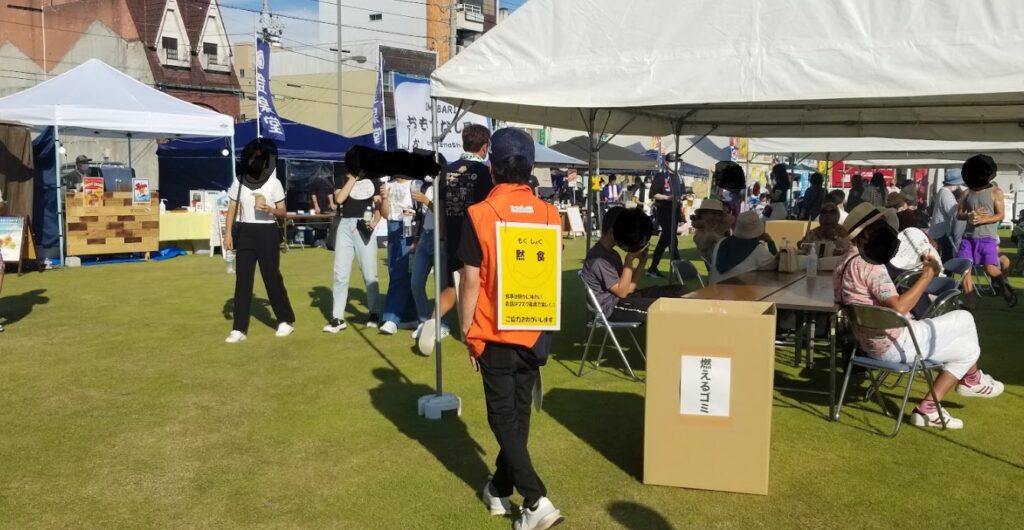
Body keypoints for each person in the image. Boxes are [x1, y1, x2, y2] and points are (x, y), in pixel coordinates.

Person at [457, 128, 563, 530]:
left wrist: (467, 332)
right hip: (535, 329)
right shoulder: (551, 214)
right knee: (518, 419)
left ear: (492, 165)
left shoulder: (480, 214)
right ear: (531, 166)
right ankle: (498, 489)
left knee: (504, 419)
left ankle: (536, 500)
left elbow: (471, 280)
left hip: (494, 332)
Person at [835, 203, 1004, 429]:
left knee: (968, 349)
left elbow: (841, 303)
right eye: (881, 226)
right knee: (965, 318)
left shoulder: (843, 264)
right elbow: (898, 307)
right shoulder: (870, 265)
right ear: (867, 233)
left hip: (868, 345)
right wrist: (927, 275)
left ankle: (932, 406)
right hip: (895, 344)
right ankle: (969, 381)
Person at [418, 124, 493, 355]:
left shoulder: (448, 171)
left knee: (454, 285)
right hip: (477, 238)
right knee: (475, 285)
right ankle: (467, 328)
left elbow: (440, 208)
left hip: (451, 237)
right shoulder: (484, 173)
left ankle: (433, 322)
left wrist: (442, 237)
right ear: (484, 147)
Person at [223, 139, 296, 343]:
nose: (255, 162)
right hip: (245, 231)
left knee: (271, 277)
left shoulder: (274, 183)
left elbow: (283, 212)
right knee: (243, 281)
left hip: (267, 232)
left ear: (266, 161)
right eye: (253, 158)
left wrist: (270, 209)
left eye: (259, 159)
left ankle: (285, 320)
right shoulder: (239, 181)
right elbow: (231, 209)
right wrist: (227, 234)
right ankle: (239, 329)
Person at [582, 207, 688, 323]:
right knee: (664, 308)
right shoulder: (598, 259)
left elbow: (629, 288)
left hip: (626, 299)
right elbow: (622, 292)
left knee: (679, 291)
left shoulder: (613, 254)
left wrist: (642, 263)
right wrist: (629, 260)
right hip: (613, 308)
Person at [322, 167, 384, 333]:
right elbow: (339, 199)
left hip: (364, 224)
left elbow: (379, 206)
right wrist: (354, 178)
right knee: (340, 273)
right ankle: (337, 318)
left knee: (369, 273)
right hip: (345, 225)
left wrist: (374, 223)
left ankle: (374, 313)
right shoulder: (342, 178)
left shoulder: (373, 179)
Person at [957, 154, 1017, 307]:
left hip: (987, 238)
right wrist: (969, 216)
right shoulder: (966, 193)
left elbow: (1000, 215)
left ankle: (1004, 287)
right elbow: (959, 214)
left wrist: (984, 219)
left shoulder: (996, 192)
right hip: (967, 238)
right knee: (965, 269)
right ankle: (969, 302)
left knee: (990, 268)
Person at [379, 167, 421, 334]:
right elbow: (385, 214)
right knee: (395, 271)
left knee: (401, 273)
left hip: (409, 229)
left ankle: (391, 318)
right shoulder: (388, 185)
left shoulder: (415, 184)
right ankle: (409, 317)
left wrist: (417, 238)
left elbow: (421, 211)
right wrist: (384, 198)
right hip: (393, 228)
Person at [709, 210, 778, 283]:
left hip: (712, 288)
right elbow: (776, 265)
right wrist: (770, 242)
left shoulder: (721, 242)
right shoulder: (758, 249)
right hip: (738, 289)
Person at [928, 169, 966, 263]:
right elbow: (952, 211)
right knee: (947, 257)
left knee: (944, 256)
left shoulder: (943, 191)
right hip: (942, 232)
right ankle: (946, 272)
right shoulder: (946, 193)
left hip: (940, 230)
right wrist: (962, 203)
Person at [645, 171, 675, 277]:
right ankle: (679, 269)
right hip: (664, 210)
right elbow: (653, 194)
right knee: (671, 240)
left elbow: (681, 192)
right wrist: (667, 198)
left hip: (674, 210)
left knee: (665, 241)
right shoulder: (661, 176)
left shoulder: (678, 177)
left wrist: (686, 195)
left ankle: (653, 268)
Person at [691, 198, 733, 264]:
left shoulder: (715, 229)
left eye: (718, 214)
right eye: (713, 213)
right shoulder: (703, 234)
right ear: (703, 214)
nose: (716, 217)